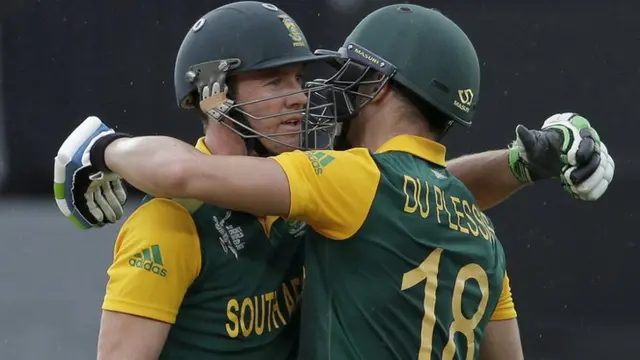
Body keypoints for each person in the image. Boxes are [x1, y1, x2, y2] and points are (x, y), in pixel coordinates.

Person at [53, 3, 615, 360]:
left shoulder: (331, 194)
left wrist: (101, 147)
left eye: (301, 77)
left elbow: (403, 187)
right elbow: (420, 188)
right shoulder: (168, 224)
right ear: (214, 94)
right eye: (275, 78)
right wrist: (523, 164)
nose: (300, 95)